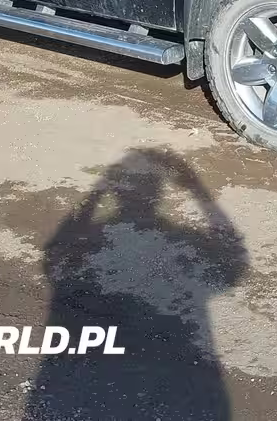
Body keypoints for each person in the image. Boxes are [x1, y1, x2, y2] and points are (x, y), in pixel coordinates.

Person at [25, 148, 248, 420]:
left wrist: (96, 192)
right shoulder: (184, 242)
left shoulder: (95, 241)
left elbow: (55, 259)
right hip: (174, 383)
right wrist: (198, 192)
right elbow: (233, 264)